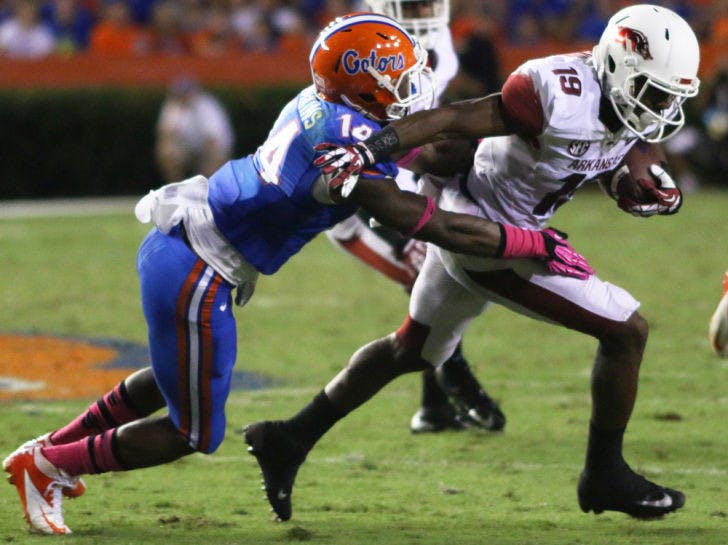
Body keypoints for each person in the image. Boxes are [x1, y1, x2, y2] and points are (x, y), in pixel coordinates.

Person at [2, 13, 592, 535]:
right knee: (195, 433)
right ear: (365, 84)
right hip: (196, 268)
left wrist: (506, 132)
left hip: (189, 247)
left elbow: (423, 149)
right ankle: (49, 466)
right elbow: (420, 220)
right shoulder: (345, 139)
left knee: (170, 377)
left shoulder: (334, 110)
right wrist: (527, 240)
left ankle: (48, 451)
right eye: (399, 76)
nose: (411, 88)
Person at [244, 4, 700, 521]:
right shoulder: (554, 92)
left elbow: (605, 152)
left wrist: (632, 182)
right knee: (626, 331)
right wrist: (371, 152)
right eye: (656, 92)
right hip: (487, 232)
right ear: (620, 66)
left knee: (413, 350)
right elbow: (451, 118)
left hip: (500, 220)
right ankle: (604, 475)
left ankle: (287, 438)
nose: (661, 106)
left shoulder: (619, 103)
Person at [328, 0, 506, 434]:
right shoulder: (356, 45)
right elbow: (353, 132)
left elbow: (419, 125)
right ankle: (458, 385)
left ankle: (435, 407)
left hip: (399, 182)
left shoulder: (436, 41)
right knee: (428, 276)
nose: (424, 9)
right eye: (413, 2)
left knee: (437, 281)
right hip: (356, 197)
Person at [155, 77, 235, 182]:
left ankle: (207, 190)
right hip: (188, 149)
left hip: (211, 148)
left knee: (214, 156)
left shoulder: (207, 106)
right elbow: (165, 133)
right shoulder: (173, 106)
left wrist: (205, 163)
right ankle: (177, 188)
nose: (183, 97)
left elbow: (212, 141)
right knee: (166, 151)